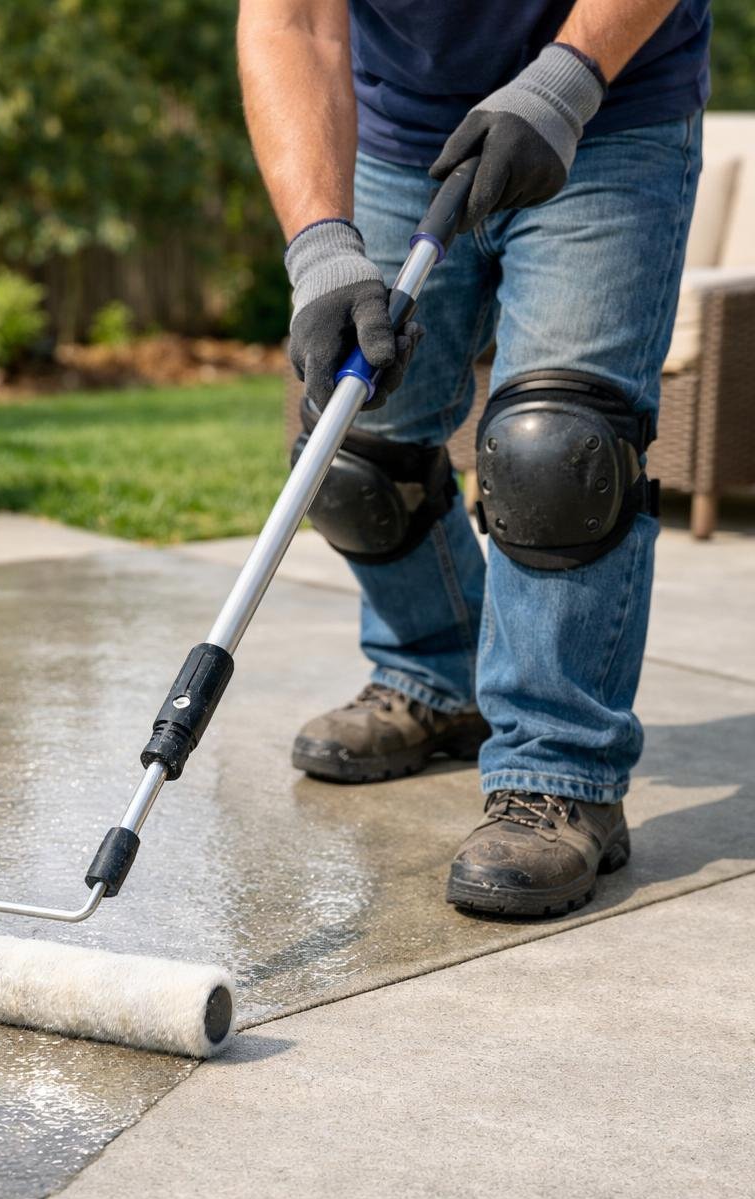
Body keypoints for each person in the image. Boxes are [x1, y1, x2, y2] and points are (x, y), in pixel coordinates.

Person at [238, 0, 709, 916]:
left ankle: (559, 770)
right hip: (398, 135)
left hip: (609, 114)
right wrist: (321, 250)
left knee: (559, 456)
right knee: (353, 453)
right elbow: (289, 21)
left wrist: (566, 78)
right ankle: (437, 675)